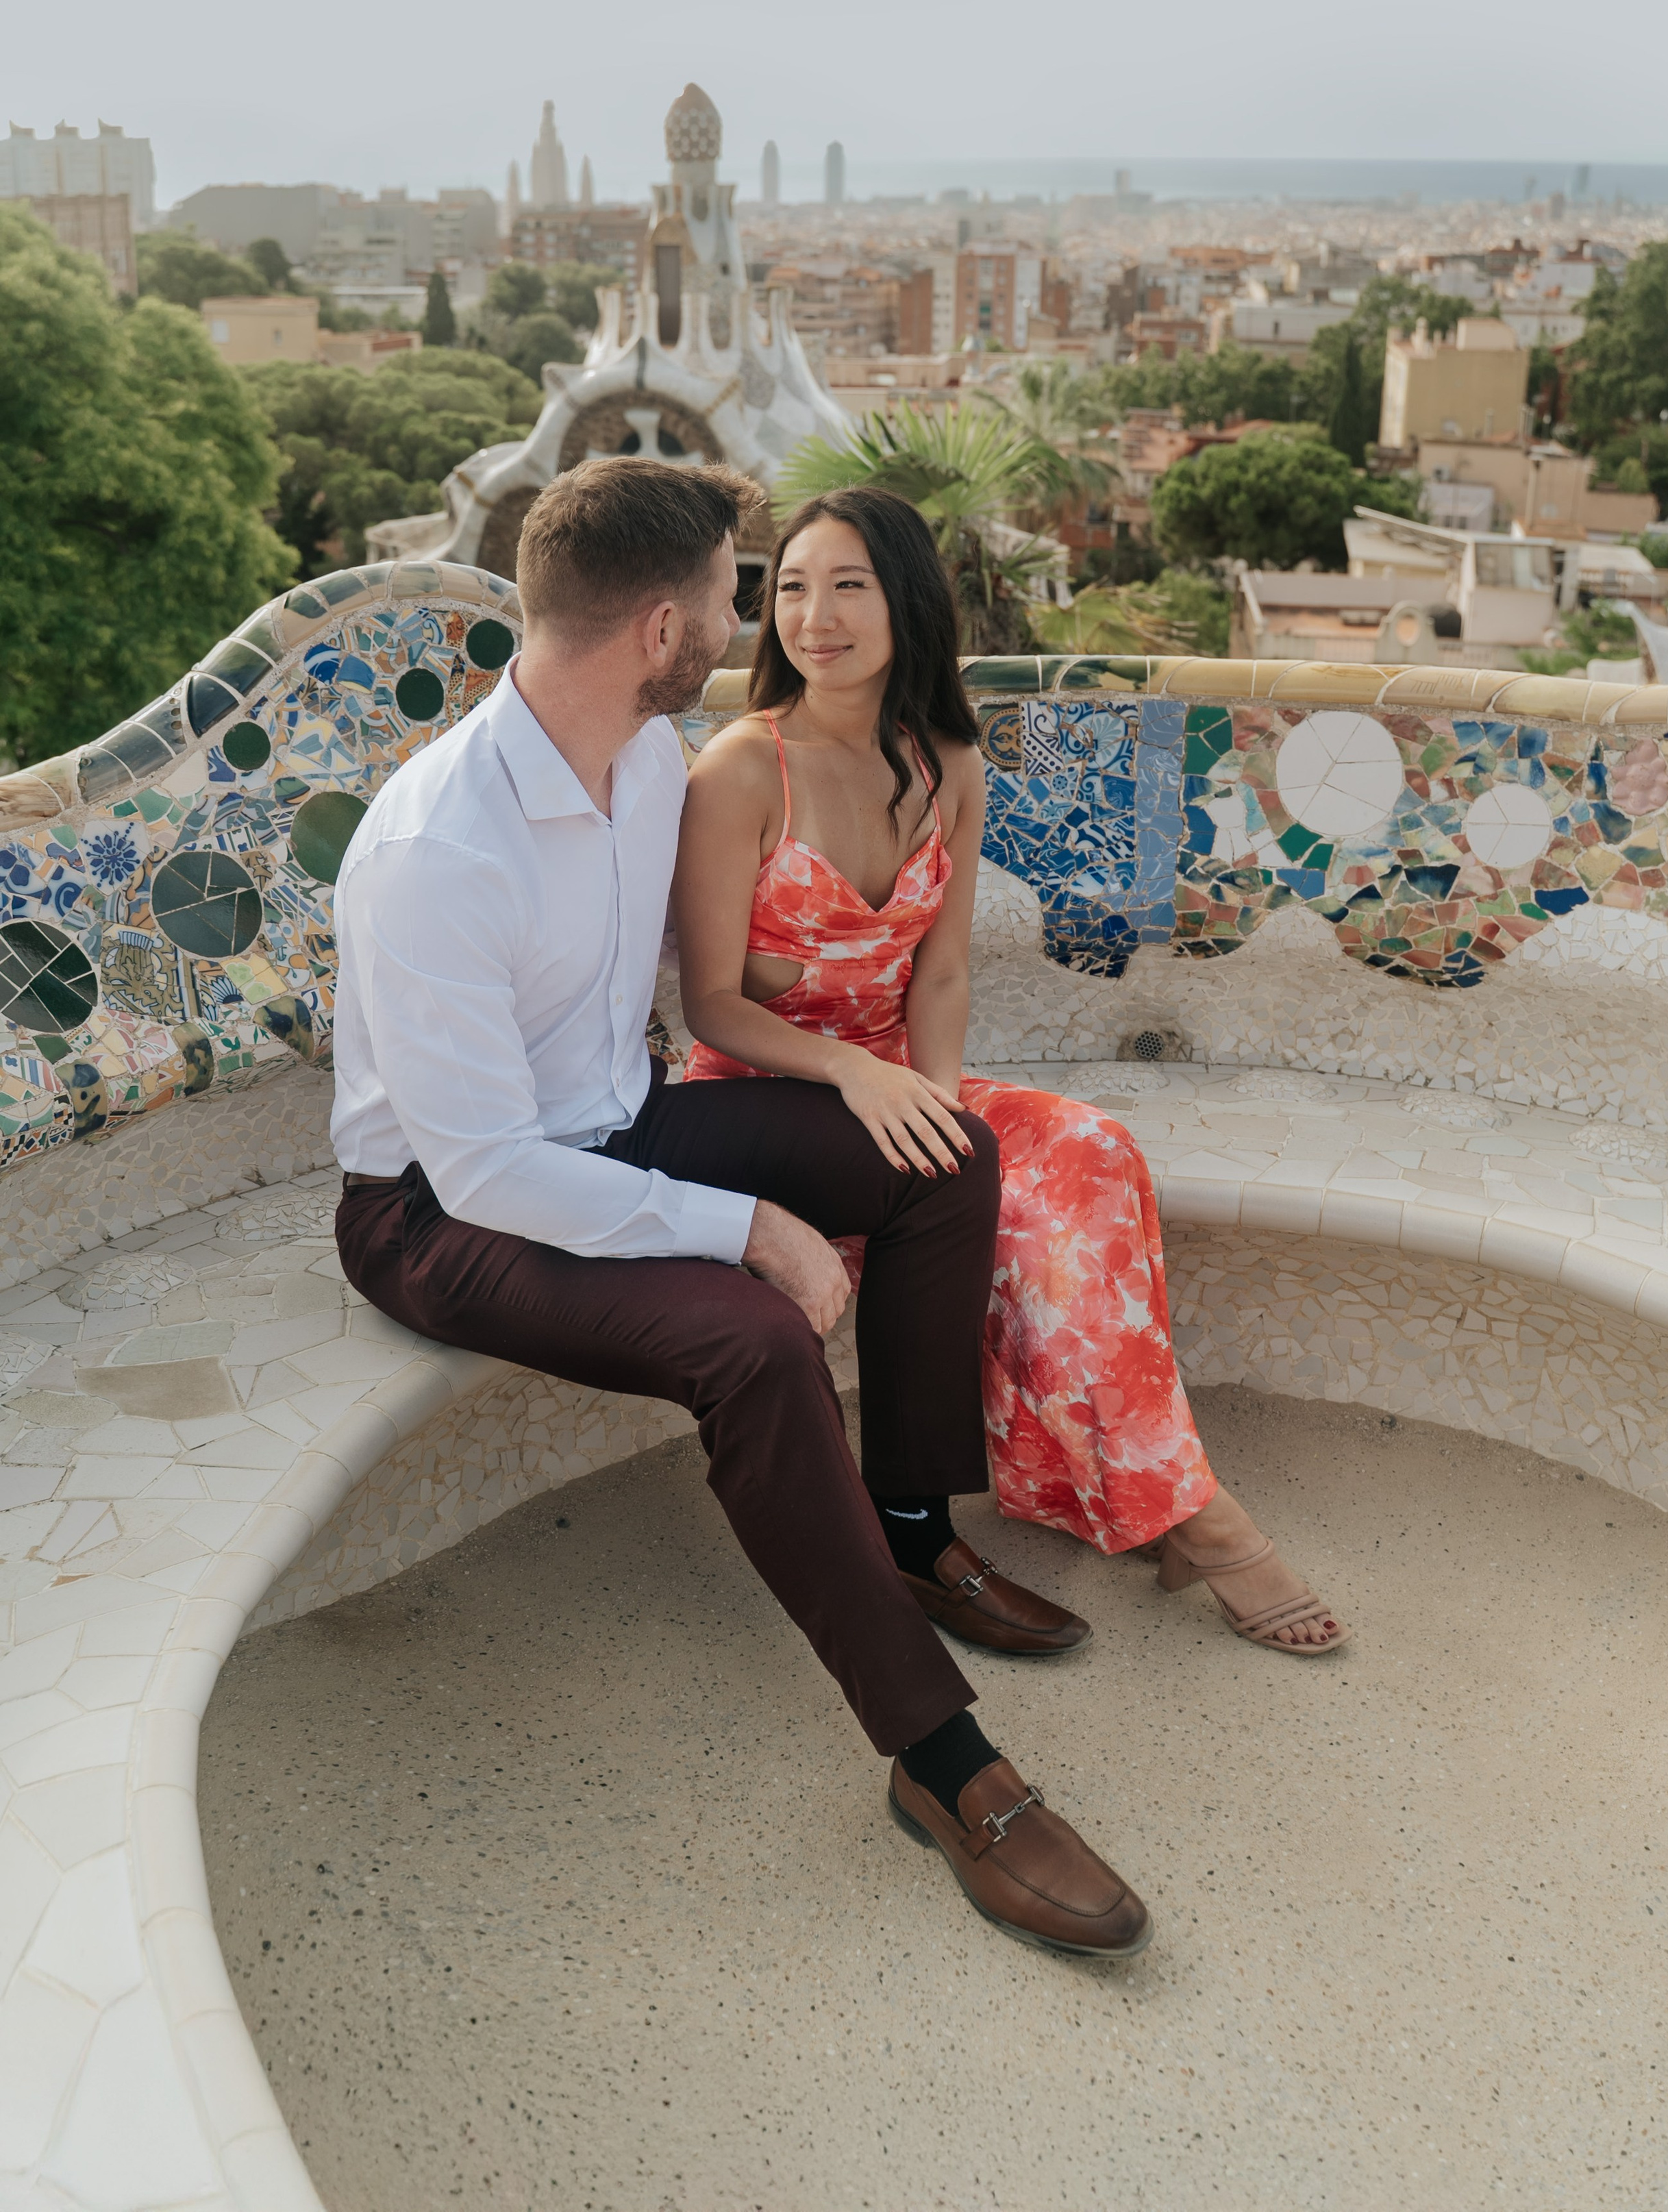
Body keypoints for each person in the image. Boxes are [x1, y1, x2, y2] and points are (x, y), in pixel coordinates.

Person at [330, 457, 1152, 1962]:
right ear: (662, 626)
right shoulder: (437, 849)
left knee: (937, 1163)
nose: (751, 615)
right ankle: (944, 1767)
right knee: (754, 1342)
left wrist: (781, 994)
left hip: (621, 1122)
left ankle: (906, 1521)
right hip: (436, 1212)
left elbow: (710, 965)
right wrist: (745, 1228)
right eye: (733, 587)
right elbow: (485, 1171)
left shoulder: (646, 763)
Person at [673, 485, 1349, 1658]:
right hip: (761, 1098)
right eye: (789, 586)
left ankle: (1159, 1496)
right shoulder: (741, 769)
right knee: (1016, 1188)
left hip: (896, 1080)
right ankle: (1195, 1517)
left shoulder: (946, 762)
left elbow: (938, 980)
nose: (812, 616)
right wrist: (860, 1082)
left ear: (906, 602)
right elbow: (714, 1006)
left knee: (1089, 1149)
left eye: (848, 586)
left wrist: (936, 1112)